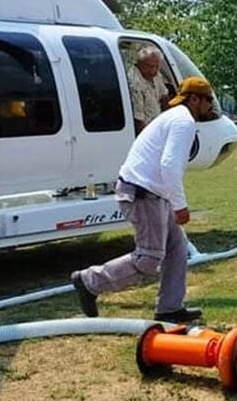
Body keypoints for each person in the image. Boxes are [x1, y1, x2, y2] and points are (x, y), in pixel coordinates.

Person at [70, 76, 218, 323]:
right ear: (194, 99)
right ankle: (88, 281)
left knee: (177, 248)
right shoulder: (183, 121)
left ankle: (169, 308)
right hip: (142, 193)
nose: (210, 106)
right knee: (149, 258)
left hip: (151, 192)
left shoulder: (174, 117)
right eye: (208, 100)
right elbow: (169, 165)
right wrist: (180, 206)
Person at [128, 46, 170, 135]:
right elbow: (138, 120)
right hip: (147, 132)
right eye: (149, 66)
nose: (153, 71)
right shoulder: (135, 82)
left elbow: (164, 97)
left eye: (156, 66)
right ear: (139, 64)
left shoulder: (156, 76)